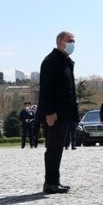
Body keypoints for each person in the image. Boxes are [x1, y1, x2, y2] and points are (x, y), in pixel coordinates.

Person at [38, 30, 78, 194]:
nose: (73, 44)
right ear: (60, 42)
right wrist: (49, 112)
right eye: (70, 40)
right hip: (53, 114)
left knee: (59, 148)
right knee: (53, 148)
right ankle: (50, 183)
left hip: (63, 114)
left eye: (74, 41)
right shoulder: (51, 61)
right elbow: (46, 90)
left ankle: (55, 180)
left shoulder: (65, 61)